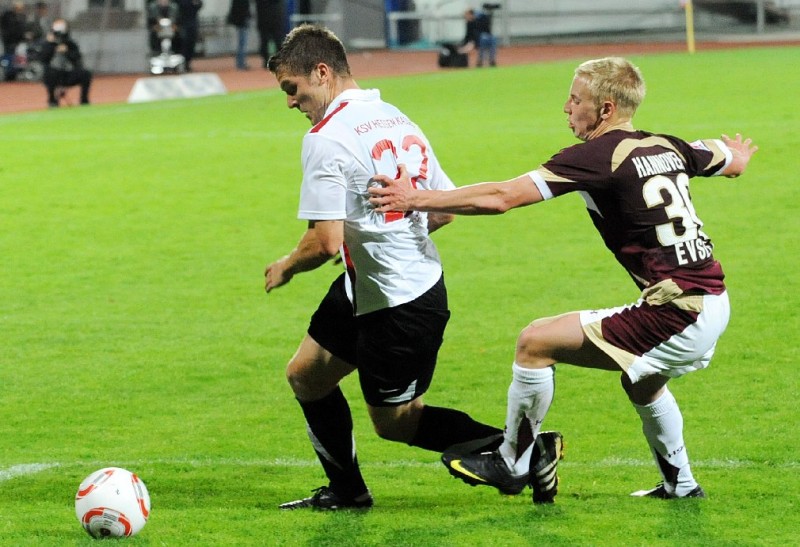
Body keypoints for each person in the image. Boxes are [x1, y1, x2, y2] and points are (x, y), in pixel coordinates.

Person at [369, 57, 758, 501]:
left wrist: (413, 198)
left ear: (606, 109)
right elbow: (728, 159)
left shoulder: (596, 156)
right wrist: (739, 154)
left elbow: (502, 197)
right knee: (643, 383)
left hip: (678, 311)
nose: (567, 108)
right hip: (711, 301)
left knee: (535, 342)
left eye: (576, 99)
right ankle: (681, 485)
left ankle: (512, 461)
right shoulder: (666, 145)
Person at [265, 24, 560, 511]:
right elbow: (442, 210)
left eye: (291, 88)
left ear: (321, 72)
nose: (290, 102)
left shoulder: (325, 137)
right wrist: (391, 239)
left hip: (399, 305)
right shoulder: (393, 116)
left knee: (397, 422)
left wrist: (286, 267)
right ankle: (347, 492)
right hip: (373, 285)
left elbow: (323, 242)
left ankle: (523, 451)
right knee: (306, 376)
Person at [40, 19, 92, 107]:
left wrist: (67, 51)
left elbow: (77, 58)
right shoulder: (48, 44)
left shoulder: (70, 44)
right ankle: (52, 100)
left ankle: (84, 100)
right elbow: (43, 59)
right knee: (49, 73)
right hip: (54, 74)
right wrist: (50, 45)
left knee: (86, 74)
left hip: (68, 74)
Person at [254, 0, 284, 69]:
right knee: (275, 42)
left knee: (268, 42)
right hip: (273, 21)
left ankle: (268, 61)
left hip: (266, 21)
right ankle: (275, 61)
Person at [176, 0, 202, 71]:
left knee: (191, 44)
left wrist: (195, 3)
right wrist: (191, 3)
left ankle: (188, 62)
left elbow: (199, 4)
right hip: (183, 23)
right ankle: (182, 63)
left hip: (193, 23)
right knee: (184, 44)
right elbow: (181, 6)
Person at [226, 0, 250, 70]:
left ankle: (240, 62)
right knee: (242, 43)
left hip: (239, 21)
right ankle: (241, 63)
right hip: (242, 21)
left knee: (241, 43)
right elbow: (243, 9)